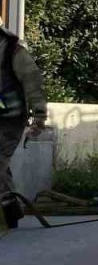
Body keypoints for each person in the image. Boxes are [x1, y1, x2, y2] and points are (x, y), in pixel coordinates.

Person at [0, 29, 48, 228]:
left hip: (9, 120)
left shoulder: (14, 51)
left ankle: (8, 215)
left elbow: (33, 83)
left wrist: (39, 116)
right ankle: (10, 212)